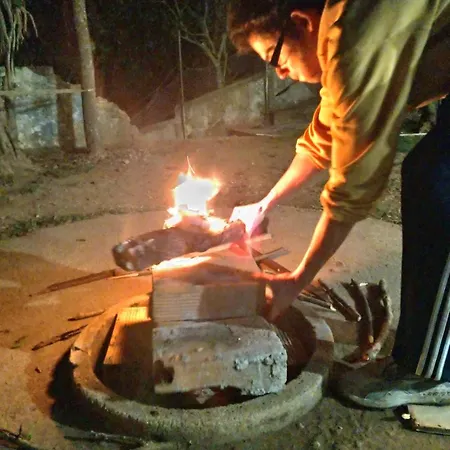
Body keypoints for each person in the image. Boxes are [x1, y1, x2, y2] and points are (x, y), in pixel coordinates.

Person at [227, 0, 450, 409]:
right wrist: (265, 203)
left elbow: (352, 188)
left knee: (438, 183)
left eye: (274, 56)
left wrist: (297, 280)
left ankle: (430, 373)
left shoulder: (353, 37)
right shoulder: (342, 33)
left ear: (301, 22)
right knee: (429, 174)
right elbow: (325, 134)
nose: (279, 73)